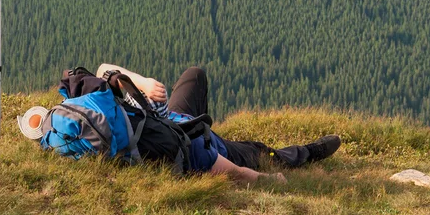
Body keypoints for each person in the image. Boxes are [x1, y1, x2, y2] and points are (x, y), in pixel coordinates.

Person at [96, 64, 341, 186]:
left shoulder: (118, 117)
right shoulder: (188, 149)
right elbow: (237, 173)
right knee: (258, 150)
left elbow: (104, 70)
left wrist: (143, 83)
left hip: (176, 119)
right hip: (200, 138)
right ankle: (308, 152)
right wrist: (271, 180)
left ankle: (203, 128)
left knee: (195, 75)